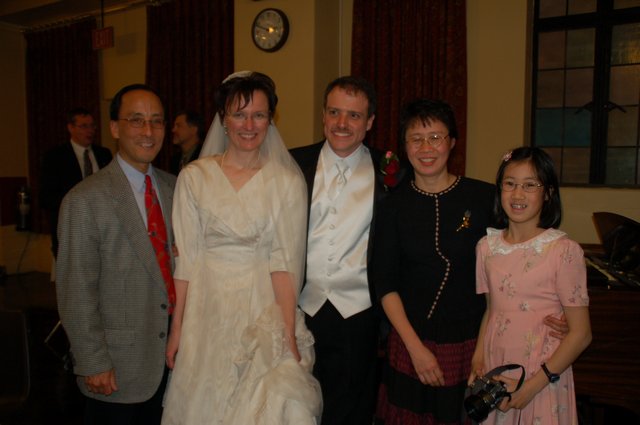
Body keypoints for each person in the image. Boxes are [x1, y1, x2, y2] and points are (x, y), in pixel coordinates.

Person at [370, 99, 568, 424]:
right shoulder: (392, 206)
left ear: (452, 142)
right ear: (404, 146)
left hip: (473, 345)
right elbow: (385, 283)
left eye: (436, 137)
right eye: (416, 138)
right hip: (409, 341)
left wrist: (556, 310)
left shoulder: (484, 197)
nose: (426, 148)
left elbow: (524, 255)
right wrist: (415, 349)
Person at [161, 71, 321, 425]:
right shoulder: (194, 178)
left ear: (270, 119)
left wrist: (287, 336)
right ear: (223, 118)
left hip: (259, 311)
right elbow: (186, 262)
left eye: (259, 115)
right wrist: (177, 329)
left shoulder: (287, 182)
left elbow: (284, 265)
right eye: (239, 114)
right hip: (206, 311)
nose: (249, 125)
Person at [56, 84, 176, 425]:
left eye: (157, 121)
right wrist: (92, 361)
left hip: (173, 361)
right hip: (118, 368)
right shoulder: (85, 200)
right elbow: (76, 289)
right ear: (114, 128)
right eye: (136, 120)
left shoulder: (176, 188)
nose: (148, 131)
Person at [290, 76, 400, 425]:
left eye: (354, 115)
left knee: (351, 412)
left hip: (359, 314)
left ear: (369, 122)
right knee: (295, 407)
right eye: (335, 112)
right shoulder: (292, 164)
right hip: (298, 309)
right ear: (323, 115)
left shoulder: (392, 172)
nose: (342, 123)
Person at [469, 147, 592, 424]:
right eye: (510, 184)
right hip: (497, 369)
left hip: (542, 376)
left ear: (547, 193)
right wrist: (478, 357)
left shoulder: (563, 251)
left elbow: (581, 334)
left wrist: (532, 386)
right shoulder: (486, 247)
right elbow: (491, 310)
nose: (518, 194)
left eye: (529, 185)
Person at [41, 107, 112, 258]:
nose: (90, 131)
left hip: (103, 229)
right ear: (71, 128)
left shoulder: (104, 155)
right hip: (70, 229)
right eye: (84, 126)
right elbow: (47, 197)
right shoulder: (55, 157)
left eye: (92, 126)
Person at [169, 110, 204, 175]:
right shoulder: (174, 160)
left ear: (193, 130)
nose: (173, 130)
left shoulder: (204, 156)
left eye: (178, 126)